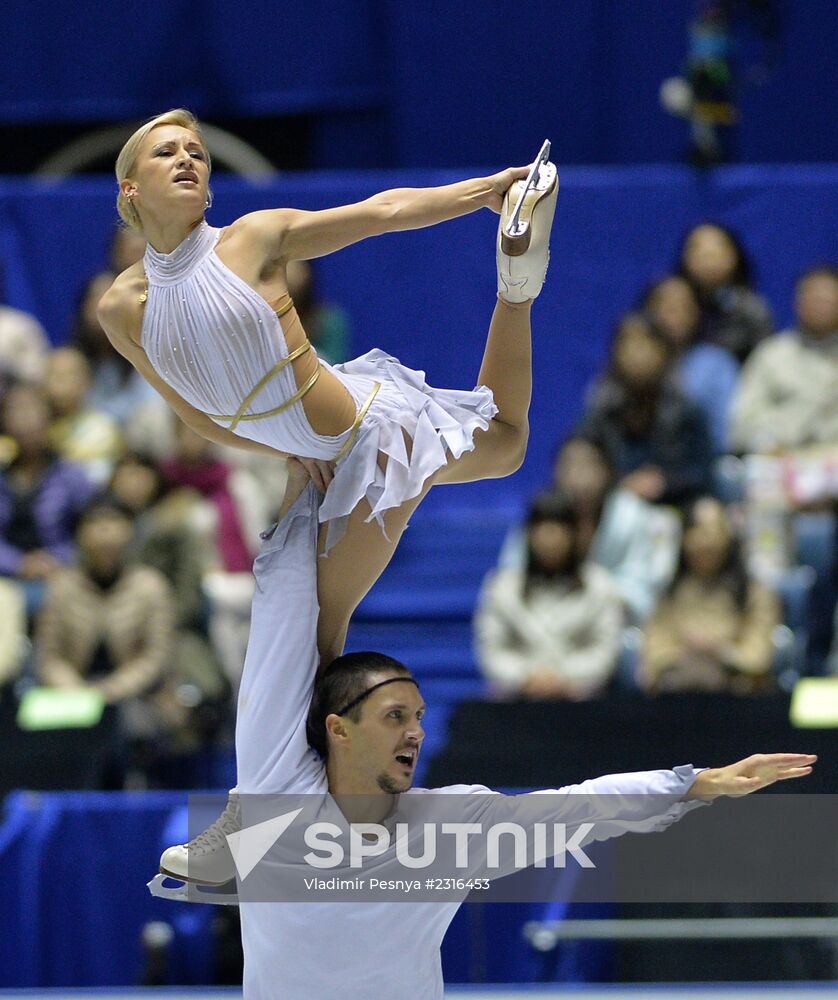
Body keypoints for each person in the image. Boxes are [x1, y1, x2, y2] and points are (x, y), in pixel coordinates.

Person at [151, 473, 815, 1000]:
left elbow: (581, 807)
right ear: (338, 731)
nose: (415, 733)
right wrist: (299, 480)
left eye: (417, 717)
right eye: (393, 718)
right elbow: (281, 622)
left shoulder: (450, 828)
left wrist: (695, 783)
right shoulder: (278, 789)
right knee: (321, 619)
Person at [96, 110, 558, 666]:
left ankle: (516, 288)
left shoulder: (252, 239)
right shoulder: (121, 307)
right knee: (504, 446)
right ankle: (517, 289)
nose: (187, 159)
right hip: (322, 448)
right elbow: (195, 417)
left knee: (319, 625)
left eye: (196, 152)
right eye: (167, 152)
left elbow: (379, 213)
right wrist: (290, 448)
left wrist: (487, 190)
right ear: (131, 188)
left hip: (371, 438)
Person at [35, 496, 179, 784]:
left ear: (130, 531)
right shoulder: (62, 587)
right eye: (94, 524)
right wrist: (73, 688)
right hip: (72, 693)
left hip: (138, 697)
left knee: (126, 724)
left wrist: (107, 692)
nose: (104, 533)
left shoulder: (150, 586)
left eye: (113, 522)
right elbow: (48, 656)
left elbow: (156, 658)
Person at [498, 433, 680, 623]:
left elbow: (640, 589)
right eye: (570, 465)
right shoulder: (542, 512)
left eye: (589, 465)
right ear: (555, 471)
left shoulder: (631, 515)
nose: (579, 476)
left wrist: (589, 597)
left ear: (608, 470)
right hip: (544, 625)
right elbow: (511, 576)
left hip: (616, 626)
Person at [475, 490, 623, 699]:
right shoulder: (502, 586)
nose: (550, 537)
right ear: (528, 534)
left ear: (576, 535)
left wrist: (561, 678)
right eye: (542, 527)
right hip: (516, 700)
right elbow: (491, 651)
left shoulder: (600, 585)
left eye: (559, 528)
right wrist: (527, 676)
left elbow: (604, 653)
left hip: (582, 702)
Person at [639, 496, 780, 694]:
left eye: (715, 529)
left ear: (729, 536)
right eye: (698, 529)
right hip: (679, 693)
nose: (706, 540)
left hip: (738, 696)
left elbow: (759, 655)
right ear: (684, 538)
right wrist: (687, 654)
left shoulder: (754, 592)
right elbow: (654, 650)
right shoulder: (669, 592)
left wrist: (720, 652)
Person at [577, 312, 714, 506]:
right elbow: (581, 457)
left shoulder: (686, 411)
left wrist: (664, 483)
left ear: (665, 354)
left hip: (673, 508)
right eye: (627, 344)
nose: (635, 354)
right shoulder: (602, 409)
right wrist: (619, 484)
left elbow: (703, 471)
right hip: (609, 508)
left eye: (644, 344)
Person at [0, 381, 95, 615]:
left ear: (49, 415)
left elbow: (90, 529)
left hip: (62, 575)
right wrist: (18, 564)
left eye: (33, 408)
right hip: (6, 578)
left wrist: (57, 560)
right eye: (16, 410)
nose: (26, 418)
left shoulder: (71, 474)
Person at [729, 265, 838, 454]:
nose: (822, 303)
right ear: (797, 302)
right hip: (783, 461)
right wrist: (768, 442)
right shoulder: (771, 354)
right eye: (814, 296)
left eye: (828, 296)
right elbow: (740, 426)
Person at [642, 274, 739, 454]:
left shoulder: (715, 363)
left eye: (682, 306)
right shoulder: (629, 361)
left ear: (696, 313)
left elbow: (725, 434)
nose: (673, 313)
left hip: (698, 465)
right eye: (665, 305)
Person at [677, 222, 773, 364]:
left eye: (716, 251)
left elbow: (767, 359)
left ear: (734, 256)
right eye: (699, 251)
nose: (708, 259)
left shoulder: (751, 309)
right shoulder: (673, 304)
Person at [43, 347, 125, 485]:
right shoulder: (33, 428)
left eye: (69, 375)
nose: (60, 383)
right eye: (53, 374)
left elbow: (99, 481)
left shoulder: (102, 430)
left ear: (87, 381)